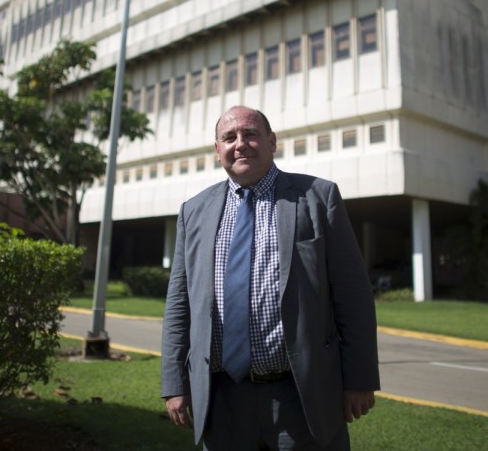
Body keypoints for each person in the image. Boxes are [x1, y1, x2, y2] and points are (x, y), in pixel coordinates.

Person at [161, 105, 380, 450]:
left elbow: (353, 296)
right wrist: (174, 382)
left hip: (300, 395)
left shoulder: (318, 198)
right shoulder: (194, 211)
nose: (240, 144)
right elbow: (179, 304)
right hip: (221, 399)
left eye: (250, 134)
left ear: (272, 141)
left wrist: (359, 379)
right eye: (229, 137)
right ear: (217, 150)